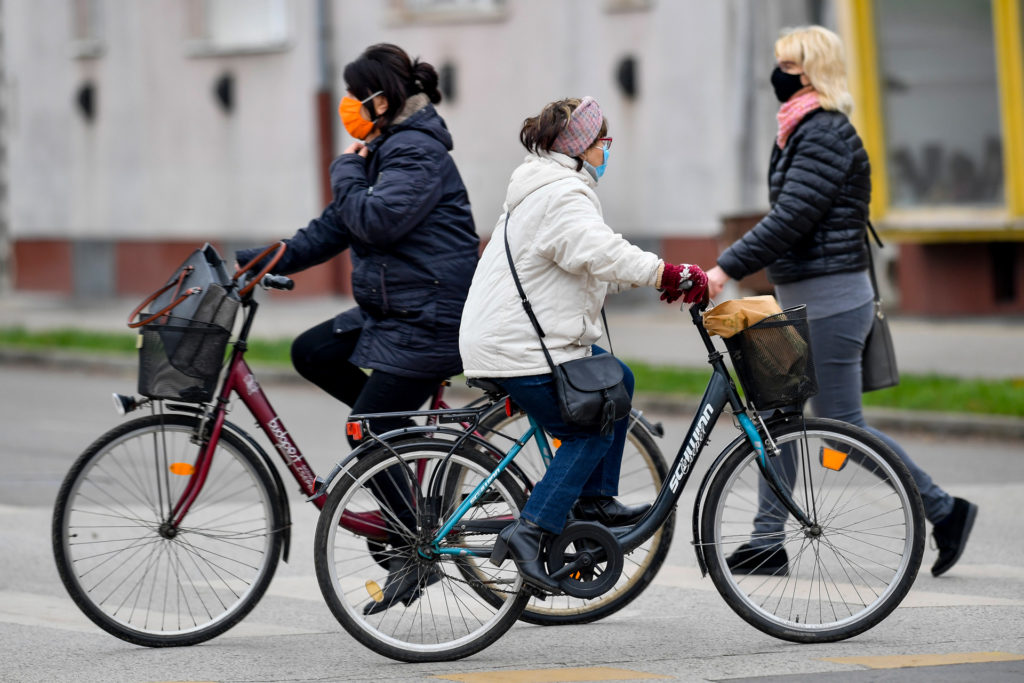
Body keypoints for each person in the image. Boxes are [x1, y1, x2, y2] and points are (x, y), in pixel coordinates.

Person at [705, 25, 976, 578]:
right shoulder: (798, 130)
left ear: (811, 72)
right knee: (779, 417)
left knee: (842, 427)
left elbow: (793, 216)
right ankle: (765, 540)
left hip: (833, 298)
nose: (778, 75)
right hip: (803, 294)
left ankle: (945, 511)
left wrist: (725, 267)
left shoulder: (825, 131)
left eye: (789, 65)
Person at [236, 43, 479, 610]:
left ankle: (412, 536)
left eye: (353, 95)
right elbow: (331, 229)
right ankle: (395, 445)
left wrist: (345, 167)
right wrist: (253, 264)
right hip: (399, 311)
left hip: (434, 317)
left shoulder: (414, 152)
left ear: (380, 99)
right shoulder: (385, 150)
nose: (346, 105)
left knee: (368, 427)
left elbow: (373, 217)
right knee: (313, 352)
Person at [459, 96, 708, 592]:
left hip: (520, 339)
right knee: (588, 432)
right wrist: (668, 271)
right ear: (579, 148)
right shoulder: (562, 195)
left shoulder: (546, 188)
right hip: (521, 348)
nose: (607, 149)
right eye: (602, 141)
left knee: (619, 378)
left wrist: (649, 281)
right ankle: (530, 532)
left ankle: (594, 501)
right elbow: (599, 251)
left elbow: (577, 268)